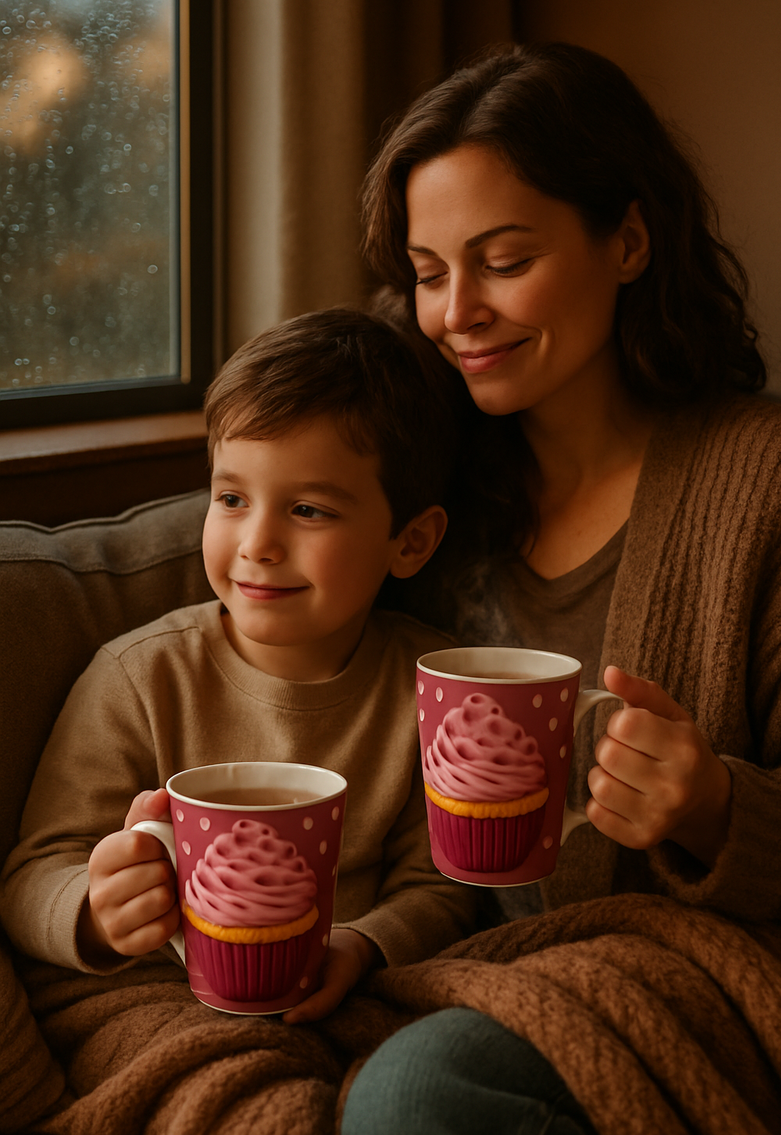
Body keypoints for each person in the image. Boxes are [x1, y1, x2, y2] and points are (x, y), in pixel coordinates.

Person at [340, 43, 781, 1135]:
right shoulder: (426, 509)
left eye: (502, 261)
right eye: (427, 271)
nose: (457, 313)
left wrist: (711, 807)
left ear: (627, 243)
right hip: (462, 962)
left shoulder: (769, 484)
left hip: (706, 975)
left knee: (417, 1095)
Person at [0, 307, 475, 1026]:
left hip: (355, 996)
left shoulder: (431, 689)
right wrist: (95, 913)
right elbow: (34, 871)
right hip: (160, 993)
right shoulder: (140, 677)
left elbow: (439, 885)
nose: (257, 543)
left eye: (309, 510)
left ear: (410, 542)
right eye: (230, 499)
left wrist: (363, 944)